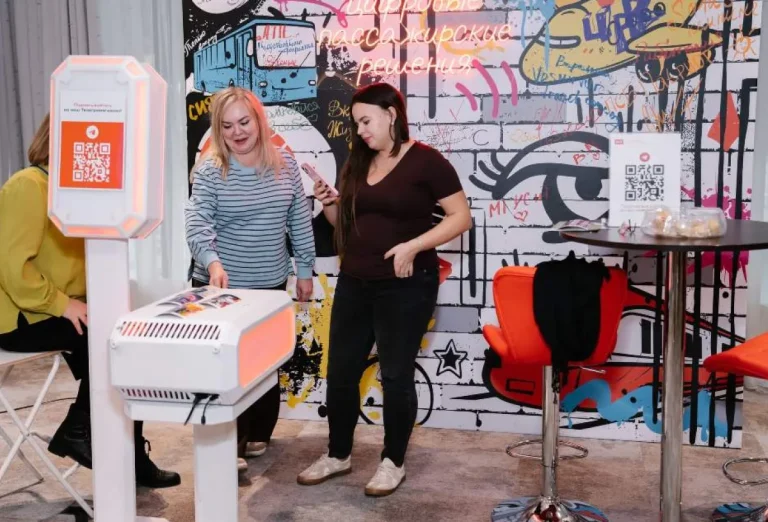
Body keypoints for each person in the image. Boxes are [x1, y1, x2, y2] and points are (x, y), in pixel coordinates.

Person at [297, 82, 472, 496]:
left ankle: (393, 461)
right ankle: (338, 455)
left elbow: (461, 217)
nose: (360, 131)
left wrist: (414, 245)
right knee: (341, 373)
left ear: (391, 114)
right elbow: (345, 225)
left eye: (366, 121)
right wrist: (330, 203)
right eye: (356, 124)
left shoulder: (427, 161)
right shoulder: (358, 163)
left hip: (406, 287)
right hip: (355, 282)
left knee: (395, 376)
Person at [0, 114, 180, 488]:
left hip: (53, 309)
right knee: (109, 339)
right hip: (19, 316)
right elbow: (12, 270)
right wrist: (64, 304)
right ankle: (80, 429)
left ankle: (128, 455)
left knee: (128, 342)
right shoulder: (28, 185)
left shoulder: (73, 194)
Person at [185, 87, 316, 472]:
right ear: (218, 130)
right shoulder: (210, 170)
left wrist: (304, 269)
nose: (237, 132)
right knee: (227, 367)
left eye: (244, 122)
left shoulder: (285, 164)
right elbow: (197, 224)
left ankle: (259, 431)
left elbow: (298, 219)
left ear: (259, 121)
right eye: (227, 126)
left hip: (270, 284)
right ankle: (231, 446)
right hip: (222, 287)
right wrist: (212, 263)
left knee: (264, 361)